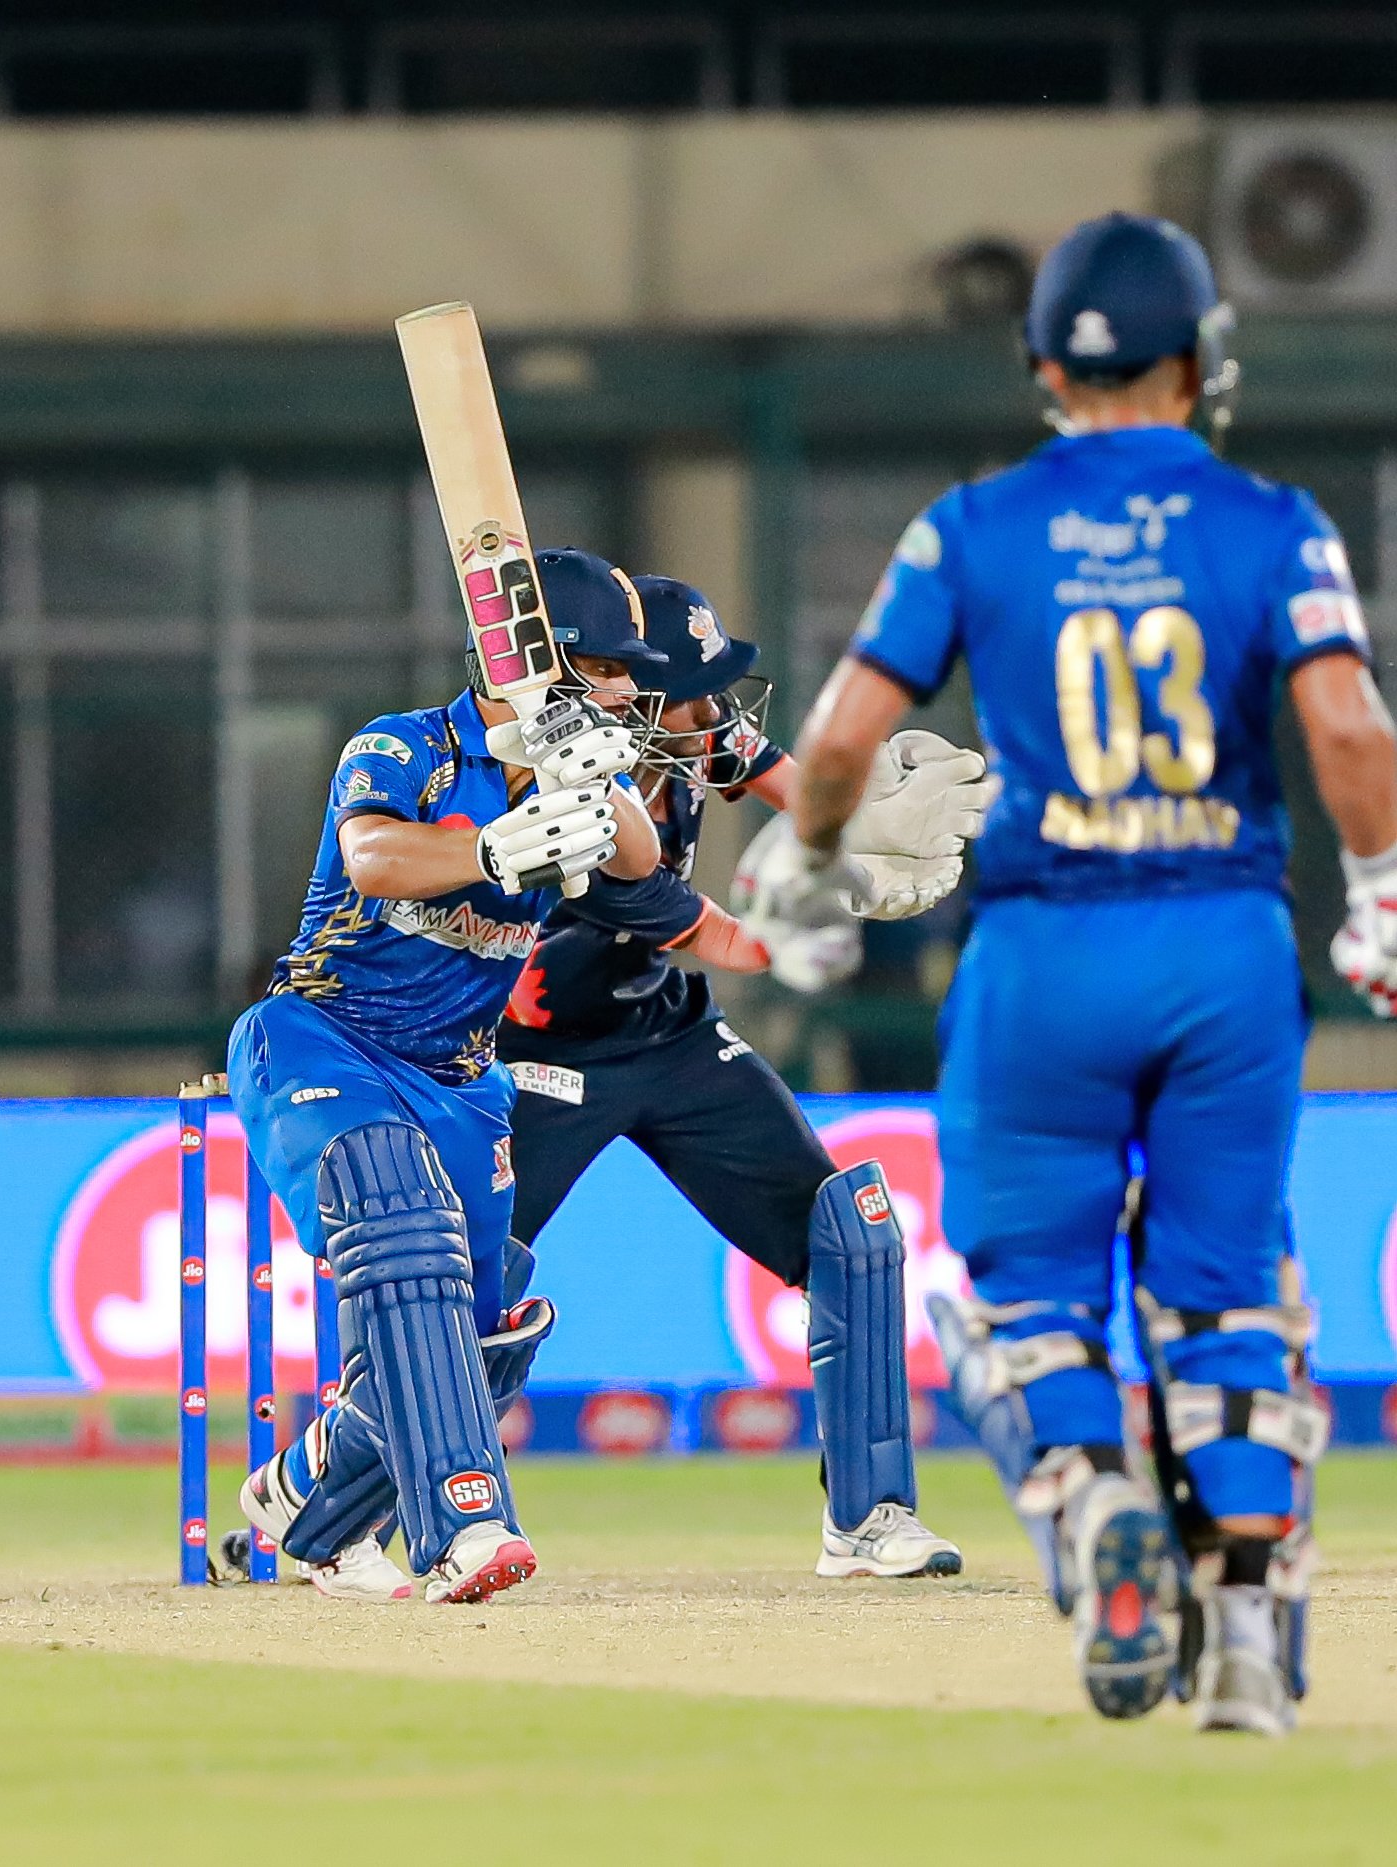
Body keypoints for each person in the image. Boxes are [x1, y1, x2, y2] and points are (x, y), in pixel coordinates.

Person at [740, 212, 1397, 1734]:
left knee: (1030, 1290)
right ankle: (1239, 1637)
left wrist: (815, 868)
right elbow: (1350, 733)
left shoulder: (969, 522)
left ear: (1042, 366)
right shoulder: (1273, 520)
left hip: (1039, 950)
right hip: (1220, 944)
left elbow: (837, 742)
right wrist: (1373, 893)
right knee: (1225, 1293)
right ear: (1195, 360)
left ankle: (1092, 1494)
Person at [499, 573, 989, 1578]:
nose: (715, 712)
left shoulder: (693, 738)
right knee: (453, 1289)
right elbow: (717, 933)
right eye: (694, 691)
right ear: (624, 697)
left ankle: (869, 1516)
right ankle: (331, 1492)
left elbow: (798, 794)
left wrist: (856, 836)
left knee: (844, 1236)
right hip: (533, 1066)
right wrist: (818, 909)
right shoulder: (564, 803)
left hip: (669, 1040)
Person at [229, 547, 666, 1605]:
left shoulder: (573, 769)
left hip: (464, 1080)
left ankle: (308, 1503)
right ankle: (466, 1524)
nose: (626, 690)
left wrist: (588, 775)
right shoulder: (404, 746)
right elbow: (374, 858)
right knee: (399, 1217)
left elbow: (641, 864)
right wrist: (495, 850)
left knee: (482, 1327)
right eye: (606, 668)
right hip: (324, 1039)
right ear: (541, 658)